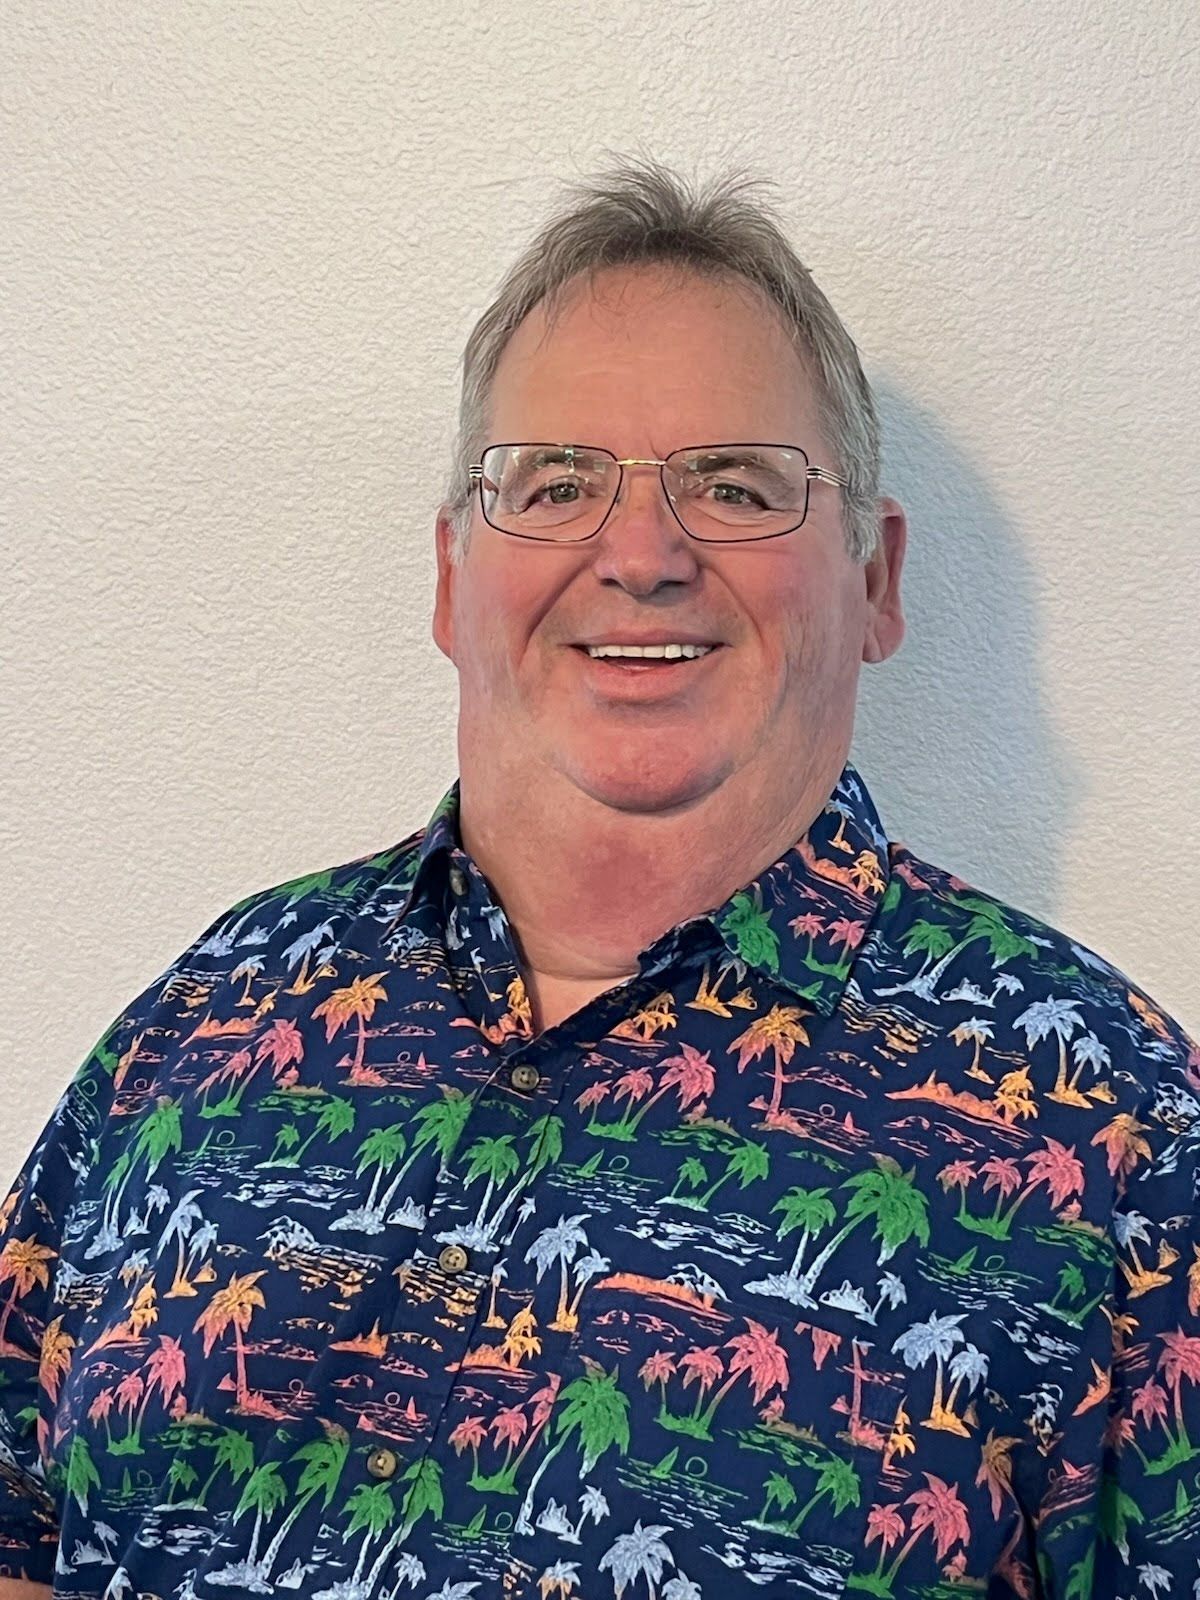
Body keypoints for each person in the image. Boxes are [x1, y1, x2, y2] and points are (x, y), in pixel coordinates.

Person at [1, 156, 1197, 1600]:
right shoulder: (202, 1031)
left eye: (738, 485)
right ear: (453, 579)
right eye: (556, 482)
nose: (640, 552)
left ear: (874, 581)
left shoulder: (1116, 1134)